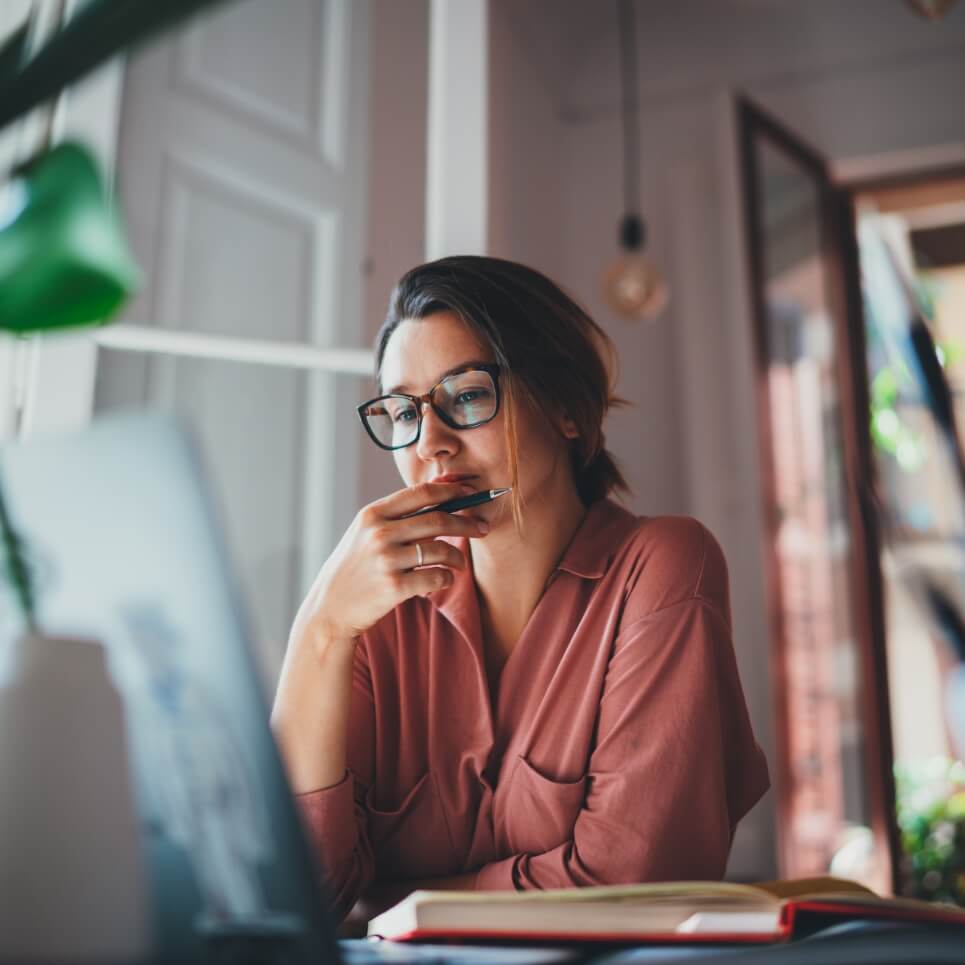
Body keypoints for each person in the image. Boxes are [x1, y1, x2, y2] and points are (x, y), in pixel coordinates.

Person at [271, 256, 770, 925]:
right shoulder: (373, 613)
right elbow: (294, 895)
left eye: (468, 395)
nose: (432, 447)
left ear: (564, 407)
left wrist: (387, 903)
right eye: (403, 412)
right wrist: (321, 628)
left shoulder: (660, 566)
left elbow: (630, 884)